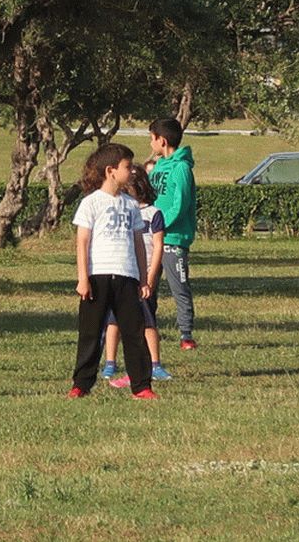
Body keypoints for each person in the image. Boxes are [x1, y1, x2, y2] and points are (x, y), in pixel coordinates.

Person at [69, 144, 153, 400]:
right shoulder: (90, 203)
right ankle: (81, 384)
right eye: (127, 167)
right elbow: (82, 241)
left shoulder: (131, 204)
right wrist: (83, 278)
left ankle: (142, 386)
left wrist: (142, 277)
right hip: (97, 276)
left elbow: (138, 242)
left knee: (134, 333)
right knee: (91, 334)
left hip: (126, 275)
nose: (131, 172)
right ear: (111, 171)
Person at [100, 167, 170, 387]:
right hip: (124, 272)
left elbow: (158, 246)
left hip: (146, 274)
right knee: (115, 320)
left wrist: (150, 276)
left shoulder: (154, 213)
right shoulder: (122, 211)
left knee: (147, 320)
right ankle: (110, 362)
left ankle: (155, 364)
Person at [148, 118, 198, 351]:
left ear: (163, 140)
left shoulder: (182, 168)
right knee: (148, 286)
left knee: (179, 286)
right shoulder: (158, 166)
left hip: (172, 239)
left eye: (152, 139)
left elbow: (180, 203)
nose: (151, 143)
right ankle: (147, 327)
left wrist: (161, 224)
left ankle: (186, 334)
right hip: (152, 238)